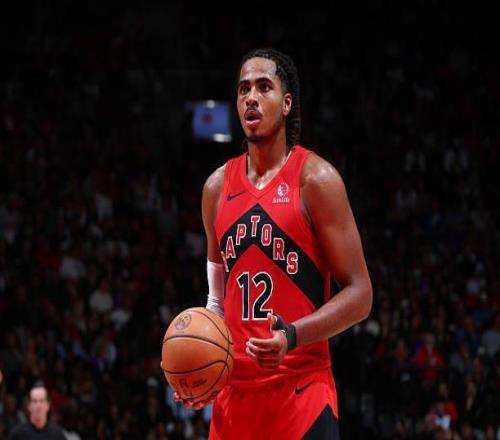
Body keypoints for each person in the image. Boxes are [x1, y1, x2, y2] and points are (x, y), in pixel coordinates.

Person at [175, 48, 373, 439]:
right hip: (234, 399)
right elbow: (216, 302)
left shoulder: (315, 180)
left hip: (301, 393)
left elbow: (360, 294)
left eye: (264, 87)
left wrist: (291, 336)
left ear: (286, 104)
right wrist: (199, 366)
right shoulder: (216, 188)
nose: (251, 97)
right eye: (244, 89)